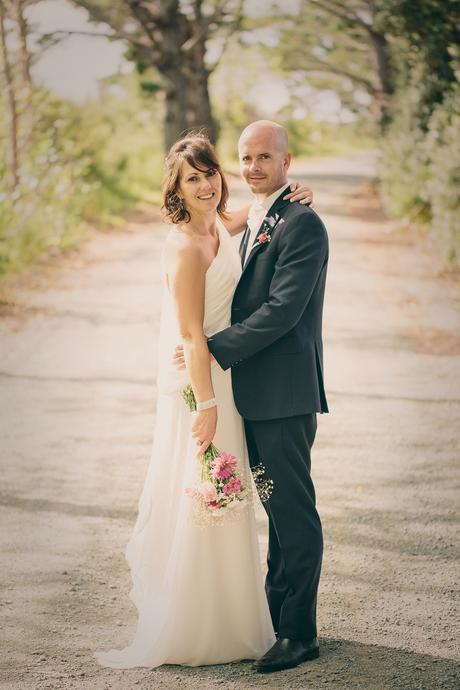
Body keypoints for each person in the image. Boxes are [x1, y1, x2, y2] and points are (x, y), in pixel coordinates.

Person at [94, 132, 313, 669]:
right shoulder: (185, 245)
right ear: (177, 187)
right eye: (192, 178)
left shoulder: (220, 223)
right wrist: (206, 406)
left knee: (238, 501)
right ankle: (201, 624)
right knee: (207, 496)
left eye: (211, 173)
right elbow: (192, 336)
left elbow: (260, 221)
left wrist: (297, 196)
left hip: (233, 379)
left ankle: (248, 621)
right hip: (206, 384)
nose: (207, 184)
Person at [176, 120, 329, 673]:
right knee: (273, 503)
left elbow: (284, 310)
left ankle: (300, 633)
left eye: (265, 157)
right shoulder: (262, 215)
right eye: (246, 157)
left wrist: (214, 350)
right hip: (256, 392)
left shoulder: (303, 224)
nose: (254, 167)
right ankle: (279, 619)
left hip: (284, 393)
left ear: (287, 161)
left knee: (292, 508)